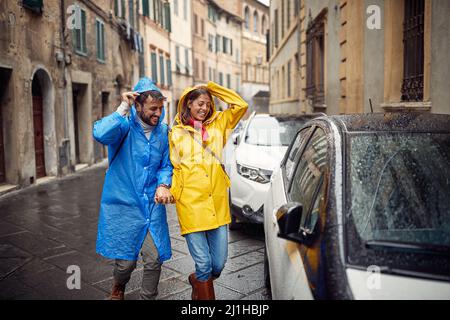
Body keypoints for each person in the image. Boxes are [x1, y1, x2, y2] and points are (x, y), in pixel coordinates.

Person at [93, 77, 174, 300]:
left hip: (151, 206)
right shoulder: (123, 127)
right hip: (124, 206)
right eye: (152, 109)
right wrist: (123, 107)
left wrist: (163, 184)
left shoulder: (163, 133)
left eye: (160, 108)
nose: (158, 113)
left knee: (154, 257)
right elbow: (100, 134)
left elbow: (166, 165)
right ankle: (119, 285)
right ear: (138, 106)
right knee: (125, 262)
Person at [169, 81, 248, 300]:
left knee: (218, 264)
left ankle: (197, 281)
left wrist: (212, 88)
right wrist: (171, 191)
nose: (204, 108)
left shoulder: (219, 124)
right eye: (199, 103)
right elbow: (175, 167)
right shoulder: (176, 133)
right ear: (188, 104)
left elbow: (240, 105)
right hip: (190, 204)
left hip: (217, 204)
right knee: (203, 264)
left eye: (207, 104)